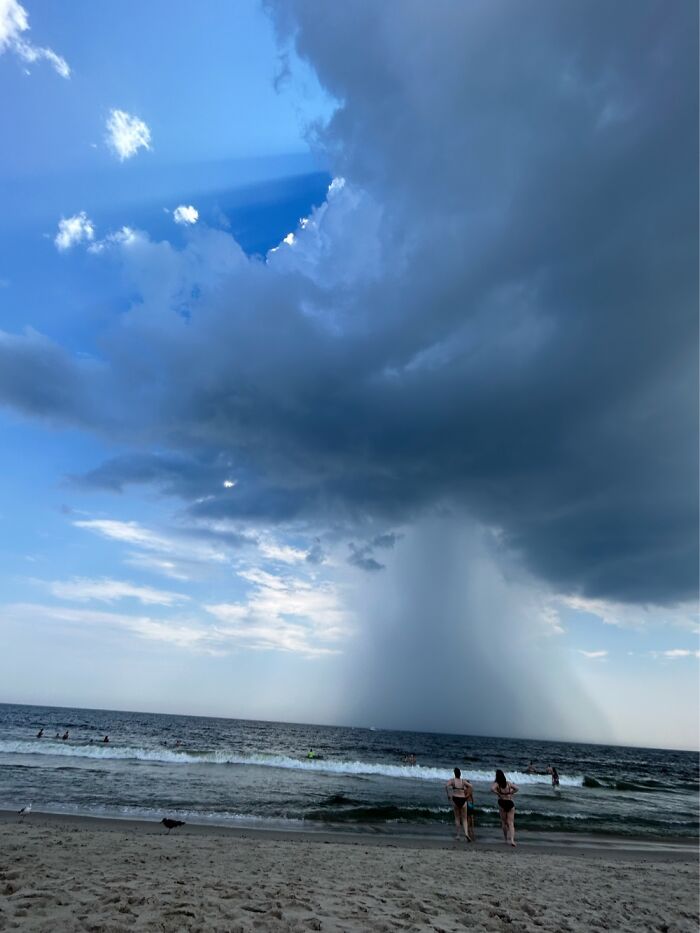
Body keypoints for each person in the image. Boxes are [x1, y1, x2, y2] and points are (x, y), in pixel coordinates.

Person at [445, 767, 473, 842]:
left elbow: (446, 786)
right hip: (463, 800)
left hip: (455, 800)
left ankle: (458, 835)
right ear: (460, 774)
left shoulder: (452, 781)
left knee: (457, 818)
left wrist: (448, 795)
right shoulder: (463, 781)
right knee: (464, 819)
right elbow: (471, 786)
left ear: (454, 774)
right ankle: (466, 834)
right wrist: (468, 794)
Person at [491, 769, 518, 847]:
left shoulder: (497, 784)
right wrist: (511, 793)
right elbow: (517, 788)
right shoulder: (508, 784)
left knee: (504, 822)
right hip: (510, 803)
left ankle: (506, 839)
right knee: (511, 823)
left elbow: (492, 789)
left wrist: (498, 793)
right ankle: (512, 840)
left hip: (502, 803)